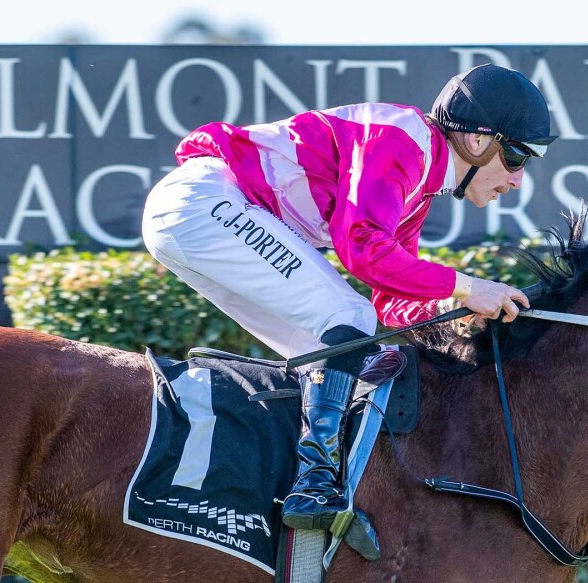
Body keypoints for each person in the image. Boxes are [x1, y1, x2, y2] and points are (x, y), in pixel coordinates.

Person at [140, 63, 556, 558]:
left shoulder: (418, 190)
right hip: (203, 202)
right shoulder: (403, 137)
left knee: (337, 351)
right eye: (515, 156)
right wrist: (466, 285)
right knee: (347, 320)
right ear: (475, 138)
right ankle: (315, 489)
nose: (517, 178)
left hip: (198, 214)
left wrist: (455, 306)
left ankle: (270, 487)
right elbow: (360, 248)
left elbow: (387, 297)